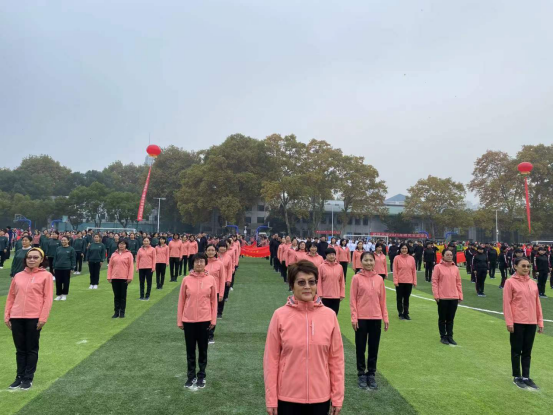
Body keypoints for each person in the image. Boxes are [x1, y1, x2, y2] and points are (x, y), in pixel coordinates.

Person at [264, 260, 344, 415]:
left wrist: (337, 397)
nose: (307, 286)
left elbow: (336, 360)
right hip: (287, 398)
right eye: (301, 282)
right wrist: (271, 398)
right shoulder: (279, 315)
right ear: (292, 285)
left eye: (311, 282)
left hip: (320, 398)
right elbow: (271, 360)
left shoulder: (329, 316)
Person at [4, 247, 53, 390]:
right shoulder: (18, 275)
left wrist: (43, 318)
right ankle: (19, 377)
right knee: (20, 349)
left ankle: (28, 377)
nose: (31, 260)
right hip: (16, 316)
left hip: (34, 317)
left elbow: (48, 298)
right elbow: (11, 297)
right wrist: (7, 316)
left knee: (31, 349)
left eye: (35, 257)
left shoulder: (46, 276)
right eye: (29, 257)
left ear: (41, 260)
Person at [177, 253, 217, 389]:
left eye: (201, 261)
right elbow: (181, 300)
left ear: (205, 263)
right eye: (196, 262)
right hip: (188, 320)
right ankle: (191, 376)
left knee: (203, 350)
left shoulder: (211, 279)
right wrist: (180, 320)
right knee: (190, 350)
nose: (199, 264)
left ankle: (201, 376)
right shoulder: (186, 280)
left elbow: (214, 301)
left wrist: (213, 320)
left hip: (205, 320)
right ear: (192, 264)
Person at [503, 257, 544, 390]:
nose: (526, 268)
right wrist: (509, 321)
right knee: (516, 350)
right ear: (515, 266)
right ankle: (517, 376)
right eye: (523, 266)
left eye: (528, 266)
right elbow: (507, 303)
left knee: (527, 351)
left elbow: (537, 303)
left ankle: (526, 377)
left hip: (531, 321)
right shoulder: (510, 282)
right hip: (517, 321)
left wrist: (540, 321)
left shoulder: (533, 283)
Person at [350, 252, 389, 390]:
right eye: (365, 260)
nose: (368, 263)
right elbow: (353, 299)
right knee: (360, 347)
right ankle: (361, 373)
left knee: (373, 347)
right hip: (361, 318)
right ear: (361, 262)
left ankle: (371, 373)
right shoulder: (356, 278)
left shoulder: (379, 279)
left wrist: (385, 317)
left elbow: (382, 300)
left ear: (374, 261)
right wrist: (354, 317)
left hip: (376, 318)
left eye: (371, 260)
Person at [432, 250, 463, 345]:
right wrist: (436, 295)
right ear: (443, 256)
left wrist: (460, 295)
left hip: (454, 297)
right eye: (447, 255)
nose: (449, 256)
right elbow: (434, 282)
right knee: (442, 318)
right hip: (442, 297)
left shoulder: (455, 268)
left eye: (451, 255)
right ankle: (443, 336)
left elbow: (458, 282)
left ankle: (450, 336)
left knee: (450, 318)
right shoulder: (438, 267)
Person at [107, 240, 134, 318]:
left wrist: (130, 277)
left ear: (126, 245)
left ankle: (122, 312)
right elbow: (110, 266)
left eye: (123, 244)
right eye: (120, 244)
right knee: (116, 296)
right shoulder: (113, 254)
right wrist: (109, 276)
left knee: (123, 296)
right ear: (118, 245)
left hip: (124, 278)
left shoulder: (129, 254)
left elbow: (131, 267)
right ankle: (116, 312)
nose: (121, 245)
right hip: (115, 277)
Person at [205, 244, 225, 344]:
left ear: (216, 252)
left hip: (215, 292)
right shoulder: (202, 262)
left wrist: (221, 294)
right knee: (204, 312)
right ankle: (203, 333)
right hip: (203, 292)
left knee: (213, 313)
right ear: (205, 251)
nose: (210, 252)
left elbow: (222, 280)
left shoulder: (219, 264)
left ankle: (210, 335)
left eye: (212, 250)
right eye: (209, 250)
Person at [317, 248, 345, 315]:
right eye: (329, 254)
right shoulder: (321, 267)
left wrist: (342, 294)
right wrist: (320, 294)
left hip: (336, 296)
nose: (332, 256)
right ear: (326, 256)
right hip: (325, 296)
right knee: (325, 316)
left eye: (333, 254)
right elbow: (319, 282)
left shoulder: (339, 267)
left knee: (334, 315)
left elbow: (342, 281)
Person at [393, 243, 417, 320]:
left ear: (408, 249)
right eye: (403, 248)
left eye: (405, 248)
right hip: (400, 281)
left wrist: (414, 281)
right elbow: (395, 270)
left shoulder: (411, 258)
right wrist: (395, 281)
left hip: (409, 281)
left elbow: (414, 270)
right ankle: (400, 313)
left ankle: (406, 313)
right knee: (399, 298)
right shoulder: (397, 258)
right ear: (400, 249)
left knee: (406, 298)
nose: (404, 250)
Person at [52, 236, 76, 301]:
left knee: (66, 282)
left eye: (65, 240)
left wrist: (72, 268)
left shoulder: (71, 249)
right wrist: (54, 266)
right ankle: (59, 295)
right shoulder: (58, 248)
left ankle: (64, 295)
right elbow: (55, 258)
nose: (63, 241)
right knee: (58, 282)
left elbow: (73, 259)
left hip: (67, 268)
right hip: (58, 267)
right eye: (62, 240)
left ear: (68, 241)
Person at [216, 241, 233, 318]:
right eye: (221, 246)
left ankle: (219, 312)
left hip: (224, 280)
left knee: (221, 297)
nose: (222, 248)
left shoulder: (228, 257)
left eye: (224, 247)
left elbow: (230, 269)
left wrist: (229, 279)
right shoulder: (215, 256)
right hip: (215, 279)